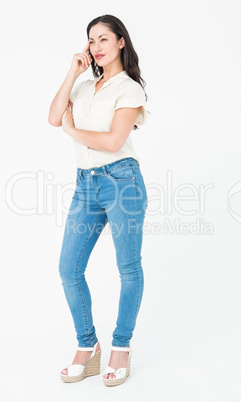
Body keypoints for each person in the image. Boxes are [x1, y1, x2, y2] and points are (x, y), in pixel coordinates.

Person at [48, 14, 148, 387]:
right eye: (91, 41)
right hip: (85, 185)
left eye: (104, 39)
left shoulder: (129, 89)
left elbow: (112, 142)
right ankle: (88, 347)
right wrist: (72, 74)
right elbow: (54, 116)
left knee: (128, 268)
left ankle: (121, 346)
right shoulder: (85, 87)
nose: (97, 47)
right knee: (68, 269)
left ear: (121, 42)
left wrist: (73, 130)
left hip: (122, 182)